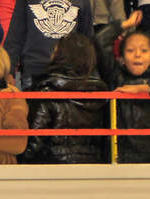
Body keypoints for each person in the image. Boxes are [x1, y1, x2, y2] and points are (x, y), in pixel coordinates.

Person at [94, 13, 150, 162]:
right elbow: (98, 42)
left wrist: (141, 89)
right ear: (121, 59)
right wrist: (124, 25)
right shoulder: (115, 75)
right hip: (119, 155)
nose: (137, 55)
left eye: (144, 51)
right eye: (130, 51)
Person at [21, 32, 108, 163]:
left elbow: (35, 138)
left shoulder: (47, 91)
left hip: (51, 167)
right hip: (93, 165)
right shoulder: (101, 93)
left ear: (61, 56)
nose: (51, 55)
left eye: (55, 51)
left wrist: (22, 161)